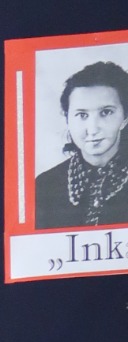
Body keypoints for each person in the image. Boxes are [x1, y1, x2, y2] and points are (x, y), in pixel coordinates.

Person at [34, 60, 128, 230]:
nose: (92, 129)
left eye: (106, 112)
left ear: (125, 118)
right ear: (67, 119)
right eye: (82, 115)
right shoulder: (44, 186)